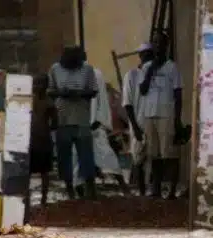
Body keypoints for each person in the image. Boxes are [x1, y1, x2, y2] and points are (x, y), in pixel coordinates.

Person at [73, 50, 129, 197]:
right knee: (79, 160)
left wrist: (99, 120)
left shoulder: (95, 74)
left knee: (107, 156)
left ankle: (125, 188)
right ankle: (86, 193)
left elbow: (101, 99)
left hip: (94, 125)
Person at [47, 45, 99, 199]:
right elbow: (49, 90)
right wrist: (62, 93)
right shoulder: (55, 69)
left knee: (86, 156)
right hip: (62, 118)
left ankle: (90, 189)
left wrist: (80, 93)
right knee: (64, 157)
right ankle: (69, 189)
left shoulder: (88, 69)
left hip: (82, 119)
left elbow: (94, 90)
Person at [139, 33, 183, 199]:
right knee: (154, 155)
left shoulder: (172, 67)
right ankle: (156, 189)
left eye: (161, 43)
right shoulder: (146, 67)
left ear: (166, 45)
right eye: (155, 43)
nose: (157, 46)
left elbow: (178, 94)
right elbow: (143, 90)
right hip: (150, 115)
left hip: (166, 115)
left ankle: (171, 190)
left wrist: (177, 119)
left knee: (170, 154)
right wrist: (150, 70)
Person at [123, 43, 155, 196]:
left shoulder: (156, 75)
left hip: (154, 122)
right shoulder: (131, 75)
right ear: (140, 56)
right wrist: (135, 127)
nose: (148, 57)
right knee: (138, 160)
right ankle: (142, 192)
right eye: (145, 54)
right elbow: (127, 103)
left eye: (150, 54)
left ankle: (151, 192)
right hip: (139, 123)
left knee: (154, 159)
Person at [29, 74, 57, 206]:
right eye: (35, 83)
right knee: (27, 171)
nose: (36, 86)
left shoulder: (49, 102)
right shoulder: (28, 100)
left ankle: (44, 199)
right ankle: (27, 198)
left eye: (40, 83)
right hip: (30, 142)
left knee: (45, 172)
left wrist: (45, 129)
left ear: (46, 86)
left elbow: (55, 122)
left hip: (44, 141)